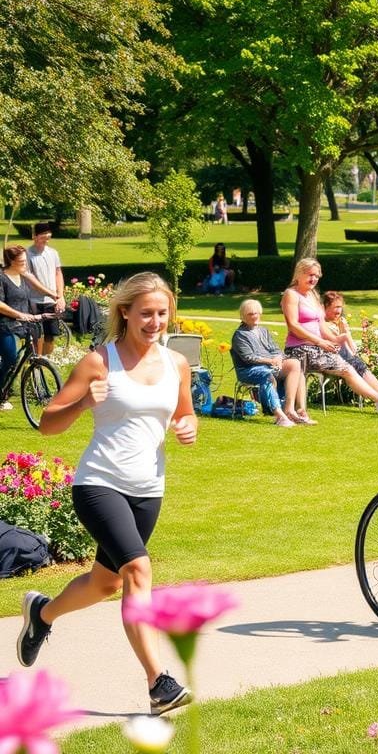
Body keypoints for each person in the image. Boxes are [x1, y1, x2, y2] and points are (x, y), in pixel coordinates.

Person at [18, 272, 197, 715]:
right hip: (99, 483)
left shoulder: (177, 364)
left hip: (148, 488)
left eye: (161, 313)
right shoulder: (101, 362)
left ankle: (42, 615)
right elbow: (48, 422)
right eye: (146, 313)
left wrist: (188, 425)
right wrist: (82, 404)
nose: (154, 321)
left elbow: (185, 410)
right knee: (138, 570)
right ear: (125, 312)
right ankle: (159, 683)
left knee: (106, 582)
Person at [280, 258, 378, 420]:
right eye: (310, 275)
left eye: (317, 276)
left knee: (351, 364)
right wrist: (319, 341)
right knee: (347, 368)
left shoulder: (313, 295)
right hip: (299, 349)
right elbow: (293, 325)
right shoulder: (291, 294)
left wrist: (335, 340)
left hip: (317, 348)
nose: (314, 279)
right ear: (299, 274)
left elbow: (322, 326)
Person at [230, 299, 306, 427]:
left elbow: (276, 349)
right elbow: (248, 358)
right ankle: (279, 415)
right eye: (250, 314)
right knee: (267, 375)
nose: (254, 316)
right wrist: (271, 361)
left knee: (294, 363)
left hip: (270, 365)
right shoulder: (240, 335)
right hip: (249, 370)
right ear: (243, 316)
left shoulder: (263, 331)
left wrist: (279, 359)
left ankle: (289, 409)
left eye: (256, 313)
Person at [321, 291, 378, 402]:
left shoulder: (340, 322)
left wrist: (346, 333)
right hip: (327, 358)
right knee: (356, 364)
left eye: (340, 307)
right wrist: (345, 334)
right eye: (336, 307)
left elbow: (353, 348)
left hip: (345, 357)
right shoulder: (322, 323)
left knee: (359, 364)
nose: (339, 310)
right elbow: (334, 343)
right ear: (326, 306)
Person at [0, 245, 44, 411]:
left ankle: (19, 388)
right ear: (11, 261)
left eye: (26, 260)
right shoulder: (2, 277)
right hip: (4, 325)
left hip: (22, 323)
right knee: (11, 358)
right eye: (21, 261)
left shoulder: (22, 276)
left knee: (25, 355)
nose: (25, 264)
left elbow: (26, 300)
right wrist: (18, 314)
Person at [25, 222, 64, 357]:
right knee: (36, 335)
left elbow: (58, 273)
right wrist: (52, 294)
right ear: (35, 236)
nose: (46, 237)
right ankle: (36, 361)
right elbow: (31, 279)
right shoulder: (27, 254)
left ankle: (45, 361)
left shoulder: (53, 253)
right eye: (43, 235)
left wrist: (61, 296)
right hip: (34, 300)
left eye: (48, 234)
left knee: (50, 334)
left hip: (51, 300)